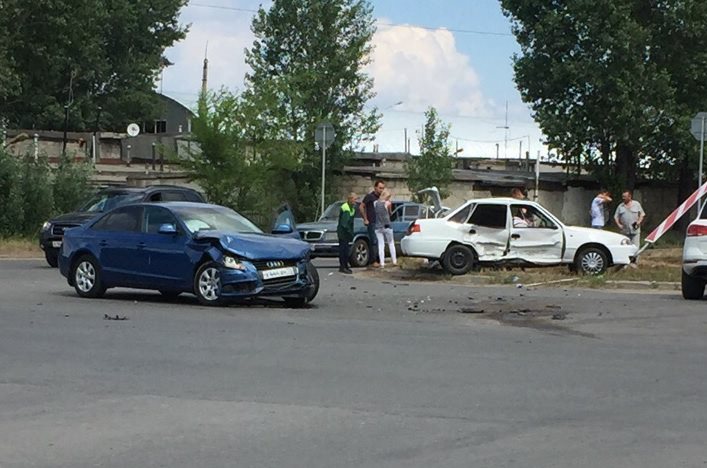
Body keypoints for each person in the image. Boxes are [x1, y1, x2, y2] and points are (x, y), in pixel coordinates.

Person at [360, 179, 385, 267]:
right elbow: (361, 206)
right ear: (375, 188)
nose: (381, 190)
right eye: (380, 188)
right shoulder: (370, 197)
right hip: (372, 222)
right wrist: (365, 219)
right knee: (374, 241)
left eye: (383, 188)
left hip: (380, 223)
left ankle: (379, 259)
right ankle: (373, 260)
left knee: (380, 241)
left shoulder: (381, 198)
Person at [374, 190, 397, 268]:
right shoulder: (387, 203)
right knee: (391, 243)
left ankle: (382, 263)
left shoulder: (375, 203)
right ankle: (394, 261)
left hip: (378, 226)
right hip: (387, 225)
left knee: (381, 244)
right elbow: (390, 213)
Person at [336, 193, 357, 274]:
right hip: (343, 232)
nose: (355, 201)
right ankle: (343, 266)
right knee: (343, 250)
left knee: (346, 249)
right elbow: (345, 224)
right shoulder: (346, 208)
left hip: (347, 233)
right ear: (350, 199)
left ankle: (345, 265)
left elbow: (351, 223)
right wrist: (350, 232)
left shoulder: (352, 208)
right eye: (355, 199)